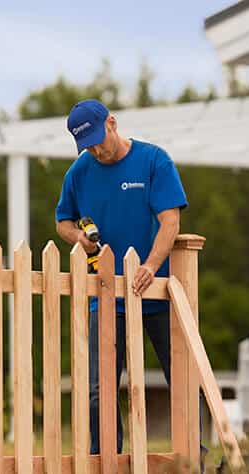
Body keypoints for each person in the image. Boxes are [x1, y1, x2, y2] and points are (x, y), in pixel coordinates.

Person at [56, 99, 204, 461]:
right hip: (105, 297)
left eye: (97, 139)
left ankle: (192, 460)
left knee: (184, 381)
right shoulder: (79, 173)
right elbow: (63, 221)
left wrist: (151, 266)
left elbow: (171, 221)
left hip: (158, 293)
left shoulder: (154, 161)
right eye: (86, 145)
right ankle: (104, 461)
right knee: (98, 390)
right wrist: (79, 237)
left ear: (112, 123)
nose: (95, 150)